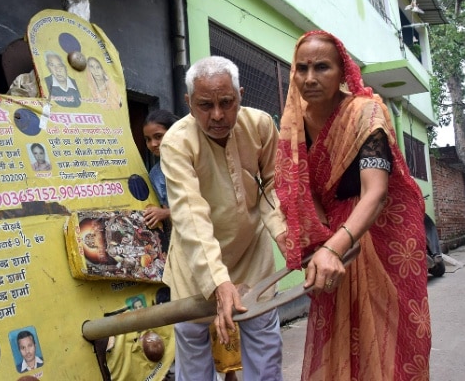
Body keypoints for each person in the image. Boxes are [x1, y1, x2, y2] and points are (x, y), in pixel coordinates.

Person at [275, 30, 430, 380]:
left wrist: (333, 246)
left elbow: (375, 192)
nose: (310, 78)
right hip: (333, 242)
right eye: (302, 68)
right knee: (339, 340)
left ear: (343, 71)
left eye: (322, 67)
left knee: (387, 339)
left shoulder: (366, 113)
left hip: (377, 237)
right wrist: (316, 241)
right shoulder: (292, 121)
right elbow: (299, 188)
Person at [160, 56, 287, 381]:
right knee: (196, 365)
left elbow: (275, 183)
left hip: (252, 260)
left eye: (226, 102)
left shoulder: (259, 125)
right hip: (196, 270)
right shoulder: (176, 142)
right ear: (189, 103)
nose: (217, 115)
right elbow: (189, 213)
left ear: (240, 96)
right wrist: (218, 281)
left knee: (265, 359)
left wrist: (284, 233)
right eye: (205, 105)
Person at [142, 109, 178, 237]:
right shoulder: (156, 174)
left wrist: (166, 213)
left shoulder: (196, 160)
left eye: (158, 136)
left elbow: (211, 202)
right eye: (148, 139)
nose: (153, 144)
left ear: (174, 132)